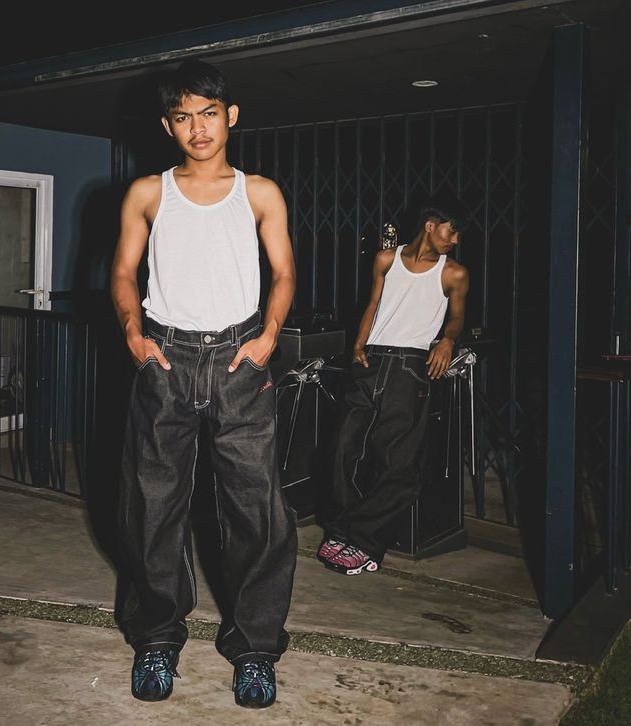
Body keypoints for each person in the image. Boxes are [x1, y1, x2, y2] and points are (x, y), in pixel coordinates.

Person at [110, 58, 298, 709]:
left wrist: (268, 337)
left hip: (239, 362)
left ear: (231, 117)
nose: (198, 128)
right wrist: (135, 336)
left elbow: (284, 273)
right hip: (165, 360)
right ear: (168, 125)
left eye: (209, 113)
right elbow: (123, 272)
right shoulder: (148, 192)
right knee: (152, 506)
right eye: (184, 116)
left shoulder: (260, 192)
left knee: (258, 511)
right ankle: (157, 637)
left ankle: (255, 649)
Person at [317, 196, 470, 575]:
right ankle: (341, 530)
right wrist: (357, 346)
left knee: (398, 463)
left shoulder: (453, 273)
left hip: (410, 368)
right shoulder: (386, 259)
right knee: (343, 450)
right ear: (431, 225)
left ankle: (366, 542)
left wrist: (448, 341)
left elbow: (456, 318)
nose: (455, 239)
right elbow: (372, 305)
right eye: (452, 230)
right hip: (372, 360)